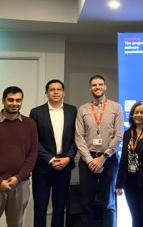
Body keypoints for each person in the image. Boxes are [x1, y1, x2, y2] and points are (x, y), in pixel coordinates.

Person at [75, 74, 124, 227]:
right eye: (94, 85)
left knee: (109, 203)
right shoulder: (82, 109)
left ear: (105, 87)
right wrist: (90, 160)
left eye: (100, 84)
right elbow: (79, 137)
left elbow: (119, 135)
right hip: (87, 161)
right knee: (86, 203)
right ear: (90, 88)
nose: (97, 87)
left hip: (108, 160)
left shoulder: (116, 107)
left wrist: (103, 157)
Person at [29, 79, 77, 227]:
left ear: (64, 92)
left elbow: (77, 138)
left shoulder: (72, 110)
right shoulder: (36, 112)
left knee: (59, 206)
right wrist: (50, 159)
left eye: (58, 89)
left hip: (64, 166)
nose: (56, 92)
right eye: (52, 89)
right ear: (46, 93)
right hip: (42, 167)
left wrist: (68, 158)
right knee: (40, 206)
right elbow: (33, 140)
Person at [0, 86, 38, 227]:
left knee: (16, 224)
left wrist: (18, 177)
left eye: (18, 100)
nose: (14, 103)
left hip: (20, 184)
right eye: (10, 100)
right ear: (3, 100)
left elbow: (32, 153)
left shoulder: (30, 124)